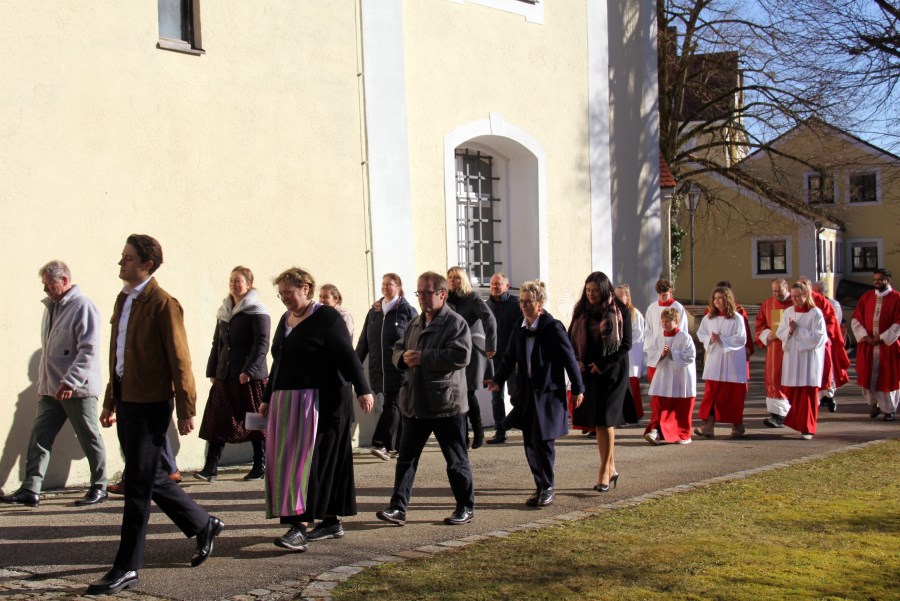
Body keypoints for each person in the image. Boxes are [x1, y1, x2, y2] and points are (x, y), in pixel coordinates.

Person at [88, 234, 223, 596]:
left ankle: (127, 566)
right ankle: (203, 524)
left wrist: (186, 408)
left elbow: (180, 359)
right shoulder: (124, 299)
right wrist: (110, 400)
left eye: (128, 258)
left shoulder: (164, 303)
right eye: (122, 257)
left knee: (137, 486)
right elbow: (119, 355)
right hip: (127, 401)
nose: (121, 263)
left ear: (147, 264)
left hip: (152, 405)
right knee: (150, 476)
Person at [261, 268, 374, 552]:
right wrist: (267, 396)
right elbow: (279, 362)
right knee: (303, 463)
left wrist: (363, 389)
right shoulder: (285, 320)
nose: (285, 298)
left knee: (309, 464)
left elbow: (347, 356)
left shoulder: (326, 317)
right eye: (281, 294)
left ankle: (299, 527)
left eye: (290, 292)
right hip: (290, 404)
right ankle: (331, 521)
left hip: (324, 402)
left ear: (307, 289)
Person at [1, 261, 108, 508]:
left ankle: (99, 485)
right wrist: (44, 384)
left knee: (89, 436)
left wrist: (70, 381)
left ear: (64, 281)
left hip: (77, 389)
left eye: (49, 285)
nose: (45, 290)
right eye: (44, 285)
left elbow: (89, 350)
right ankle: (31, 489)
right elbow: (51, 351)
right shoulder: (51, 307)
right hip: (51, 390)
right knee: (40, 437)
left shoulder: (83, 306)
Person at [375, 271, 475, 527]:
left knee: (456, 460)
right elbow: (399, 348)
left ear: (442, 294)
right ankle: (398, 508)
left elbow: (461, 355)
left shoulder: (455, 323)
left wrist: (424, 357)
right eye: (419, 293)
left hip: (446, 405)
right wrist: (401, 358)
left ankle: (465, 507)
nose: (422, 298)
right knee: (406, 460)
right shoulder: (415, 323)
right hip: (414, 403)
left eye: (427, 293)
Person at [485, 280, 584, 507]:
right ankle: (540, 485)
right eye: (521, 301)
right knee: (530, 442)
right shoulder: (519, 328)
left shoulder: (553, 327)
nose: (523, 306)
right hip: (527, 394)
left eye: (528, 302)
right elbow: (509, 356)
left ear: (540, 304)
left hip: (548, 394)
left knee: (544, 442)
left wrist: (578, 388)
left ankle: (548, 486)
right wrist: (498, 379)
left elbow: (569, 359)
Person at [194, 266, 270, 483]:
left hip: (249, 378)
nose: (234, 284)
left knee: (256, 423)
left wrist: (249, 370)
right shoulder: (225, 311)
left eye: (238, 280)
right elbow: (217, 344)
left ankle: (260, 465)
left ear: (249, 284)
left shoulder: (257, 310)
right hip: (225, 375)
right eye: (231, 280)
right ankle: (210, 468)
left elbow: (262, 343)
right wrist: (213, 371)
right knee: (217, 420)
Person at [569, 271, 632, 492]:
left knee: (606, 420)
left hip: (612, 371)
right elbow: (571, 337)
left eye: (595, 290)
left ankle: (604, 471)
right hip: (589, 371)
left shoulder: (619, 310)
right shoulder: (581, 310)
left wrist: (603, 364)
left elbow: (625, 344)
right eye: (588, 290)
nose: (591, 294)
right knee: (599, 422)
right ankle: (611, 467)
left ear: (604, 290)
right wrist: (577, 363)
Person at [356, 273, 418, 460]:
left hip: (399, 369)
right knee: (397, 408)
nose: (385, 287)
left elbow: (417, 338)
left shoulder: (407, 311)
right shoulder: (374, 312)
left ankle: (380, 443)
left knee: (392, 405)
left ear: (398, 287)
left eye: (389, 284)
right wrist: (354, 365)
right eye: (383, 284)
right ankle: (400, 447)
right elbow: (364, 342)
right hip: (379, 370)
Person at [446, 266, 497, 449]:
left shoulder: (472, 297)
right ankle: (462, 434)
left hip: (471, 351)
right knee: (457, 393)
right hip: (453, 351)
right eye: (450, 278)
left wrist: (490, 345)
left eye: (457, 278)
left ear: (463, 280)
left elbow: (489, 319)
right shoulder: (445, 299)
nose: (453, 281)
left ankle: (478, 430)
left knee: (467, 392)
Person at [776, 281, 827, 440]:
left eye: (798, 296)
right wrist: (790, 332)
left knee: (807, 394)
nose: (795, 299)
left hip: (808, 359)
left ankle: (807, 428)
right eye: (793, 296)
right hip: (792, 357)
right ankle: (798, 422)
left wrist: (798, 330)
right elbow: (781, 332)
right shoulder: (788, 311)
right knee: (793, 392)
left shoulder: (815, 313)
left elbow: (819, 337)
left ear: (806, 295)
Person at [695, 287, 748, 439]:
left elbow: (741, 339)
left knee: (733, 395)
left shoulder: (736, 318)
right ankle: (708, 426)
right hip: (715, 360)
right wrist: (710, 339)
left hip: (732, 362)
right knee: (712, 393)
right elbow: (701, 333)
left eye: (720, 298)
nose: (717, 301)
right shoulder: (709, 318)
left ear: (727, 299)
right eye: (715, 298)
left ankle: (737, 424)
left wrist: (722, 339)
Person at [851, 268, 899, 421]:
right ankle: (875, 403)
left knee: (887, 378)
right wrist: (866, 337)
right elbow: (856, 319)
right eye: (875, 279)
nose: (876, 282)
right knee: (868, 376)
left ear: (888, 280)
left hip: (888, 346)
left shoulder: (897, 298)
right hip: (868, 345)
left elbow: (899, 322)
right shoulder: (867, 297)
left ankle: (889, 410)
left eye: (880, 279)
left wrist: (882, 338)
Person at [643, 307, 697, 445]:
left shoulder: (684, 337)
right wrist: (661, 354)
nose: (665, 324)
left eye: (668, 321)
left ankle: (683, 434)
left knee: (679, 409)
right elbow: (651, 352)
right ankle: (656, 431)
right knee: (659, 406)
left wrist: (673, 354)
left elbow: (690, 356)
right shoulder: (659, 336)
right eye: (663, 321)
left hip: (680, 378)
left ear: (676, 321)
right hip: (663, 375)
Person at [798, 276, 850, 413]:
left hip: (821, 342)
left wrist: (820, 334)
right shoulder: (795, 299)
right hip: (802, 342)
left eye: (804, 285)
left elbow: (832, 320)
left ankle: (828, 396)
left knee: (825, 369)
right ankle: (812, 399)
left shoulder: (821, 301)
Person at [485, 272, 522, 444]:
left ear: (506, 286)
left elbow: (521, 332)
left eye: (498, 284)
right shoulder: (486, 306)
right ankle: (500, 431)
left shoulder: (516, 305)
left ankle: (524, 425)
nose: (494, 286)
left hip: (513, 359)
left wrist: (519, 356)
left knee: (516, 395)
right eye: (492, 283)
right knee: (496, 397)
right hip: (495, 359)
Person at [644, 279, 688, 383]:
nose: (662, 297)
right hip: (656, 350)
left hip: (672, 350)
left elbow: (681, 330)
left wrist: (673, 350)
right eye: (659, 294)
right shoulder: (652, 308)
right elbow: (648, 330)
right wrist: (652, 350)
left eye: (665, 294)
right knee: (654, 382)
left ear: (671, 292)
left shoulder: (677, 307)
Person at [615, 284, 645, 425]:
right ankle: (621, 416)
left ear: (627, 297)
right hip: (618, 354)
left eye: (621, 295)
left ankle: (635, 415)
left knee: (632, 386)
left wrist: (622, 338)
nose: (618, 298)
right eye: (616, 296)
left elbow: (638, 333)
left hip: (631, 355)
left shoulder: (635, 314)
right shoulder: (613, 312)